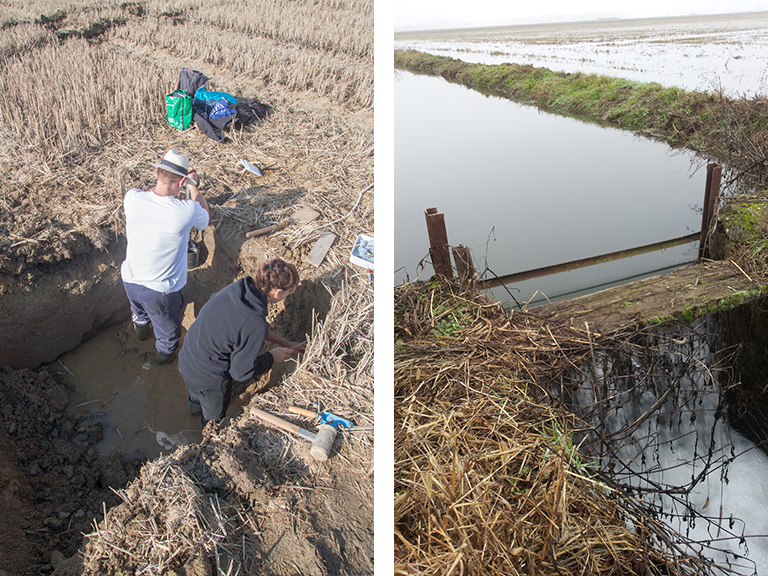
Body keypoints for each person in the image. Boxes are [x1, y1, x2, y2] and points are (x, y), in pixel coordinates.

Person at [178, 259, 306, 426]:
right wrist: (271, 357)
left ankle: (193, 412)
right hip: (209, 381)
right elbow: (240, 373)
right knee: (212, 422)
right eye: (288, 294)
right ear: (278, 292)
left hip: (187, 359)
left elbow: (246, 327)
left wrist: (285, 342)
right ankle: (203, 437)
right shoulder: (255, 324)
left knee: (196, 395)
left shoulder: (237, 290)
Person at [121, 149, 210, 364]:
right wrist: (193, 185)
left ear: (156, 173)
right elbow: (204, 217)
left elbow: (153, 197)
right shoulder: (185, 211)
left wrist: (174, 184)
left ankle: (141, 334)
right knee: (169, 336)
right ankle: (162, 361)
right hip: (160, 292)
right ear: (181, 182)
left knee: (139, 314)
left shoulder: (132, 197)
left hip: (130, 280)